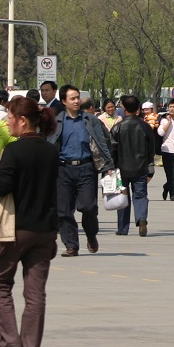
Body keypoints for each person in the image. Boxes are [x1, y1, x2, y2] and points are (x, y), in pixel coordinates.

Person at [0, 95, 60, 347]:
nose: (7, 123)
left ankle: (9, 341)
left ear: (22, 120)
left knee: (0, 281)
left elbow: (4, 187)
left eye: (10, 119)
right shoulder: (51, 150)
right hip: (45, 229)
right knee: (35, 292)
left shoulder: (14, 151)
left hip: (15, 229)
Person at [48, 84, 114, 256]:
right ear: (64, 101)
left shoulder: (91, 120)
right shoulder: (56, 121)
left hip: (86, 168)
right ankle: (71, 245)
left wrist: (109, 167)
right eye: (73, 98)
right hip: (63, 169)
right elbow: (48, 145)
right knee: (64, 210)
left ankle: (91, 235)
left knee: (88, 207)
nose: (77, 101)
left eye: (78, 97)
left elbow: (103, 143)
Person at [110, 95, 157, 237]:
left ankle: (123, 228)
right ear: (138, 109)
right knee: (140, 195)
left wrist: (111, 168)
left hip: (121, 168)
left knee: (122, 198)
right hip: (140, 167)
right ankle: (141, 218)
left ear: (124, 108)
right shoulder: (145, 127)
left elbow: (112, 150)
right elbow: (151, 149)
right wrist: (150, 168)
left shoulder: (117, 127)